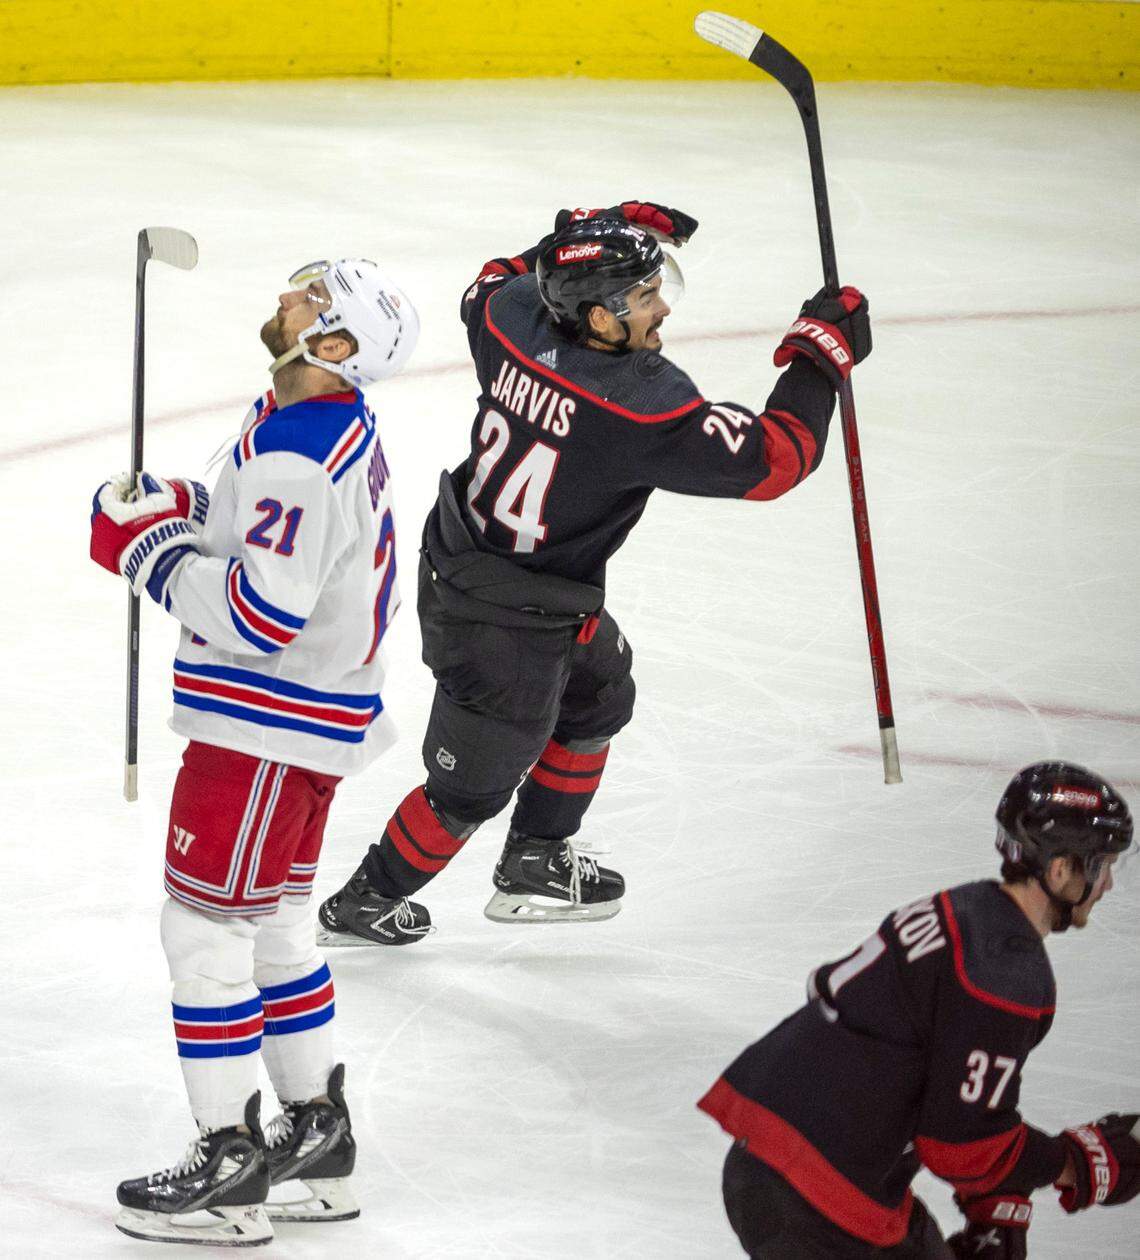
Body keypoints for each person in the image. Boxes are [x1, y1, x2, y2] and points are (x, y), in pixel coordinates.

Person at [316, 201, 872, 947]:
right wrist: (817, 353)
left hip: (507, 578)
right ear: (601, 321)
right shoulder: (637, 406)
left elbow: (494, 279)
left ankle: (536, 857)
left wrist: (589, 230)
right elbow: (780, 459)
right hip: (497, 623)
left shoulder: (511, 320)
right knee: (469, 788)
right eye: (642, 296)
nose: (661, 305)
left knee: (599, 692)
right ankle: (364, 902)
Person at [88, 258, 419, 1245]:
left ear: (338, 346)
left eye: (311, 301)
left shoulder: (297, 457)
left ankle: (230, 1171)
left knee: (202, 937)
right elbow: (259, 533)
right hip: (304, 731)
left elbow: (258, 609)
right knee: (273, 928)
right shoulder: (304, 420)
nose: (287, 299)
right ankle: (318, 1137)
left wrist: (142, 552)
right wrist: (182, 505)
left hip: (264, 729)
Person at [698, 761, 1140, 1259]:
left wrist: (999, 1197)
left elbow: (950, 1099)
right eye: (1100, 866)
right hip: (818, 1200)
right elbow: (961, 1146)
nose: (1105, 886)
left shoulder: (964, 908)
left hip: (778, 1164)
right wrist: (1075, 1163)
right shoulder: (1008, 972)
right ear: (1060, 869)